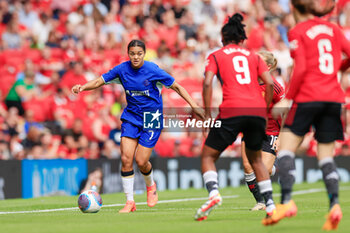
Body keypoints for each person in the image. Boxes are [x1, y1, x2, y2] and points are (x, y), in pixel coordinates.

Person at [72, 39, 205, 213]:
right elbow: (100, 81)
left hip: (152, 118)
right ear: (128, 54)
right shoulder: (121, 70)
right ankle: (130, 202)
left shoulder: (153, 70)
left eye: (139, 53)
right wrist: (82, 87)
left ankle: (151, 185)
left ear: (144, 53)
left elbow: (177, 87)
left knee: (141, 161)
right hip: (131, 117)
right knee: (126, 159)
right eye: (132, 53)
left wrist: (194, 106)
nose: (136, 57)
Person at [269, 0, 350, 229]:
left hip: (308, 98)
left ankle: (286, 202)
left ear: (294, 10)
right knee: (326, 156)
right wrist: (339, 69)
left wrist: (287, 98)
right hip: (333, 99)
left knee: (285, 149)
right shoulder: (333, 29)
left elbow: (302, 68)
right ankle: (334, 205)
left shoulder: (298, 31)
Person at [194, 13, 276, 224]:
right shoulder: (254, 56)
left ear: (223, 39)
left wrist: (207, 114)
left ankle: (213, 194)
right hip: (257, 112)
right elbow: (268, 83)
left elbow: (206, 83)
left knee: (208, 156)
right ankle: (270, 205)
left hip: (232, 109)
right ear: (242, 39)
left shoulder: (217, 55)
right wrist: (264, 109)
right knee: (256, 159)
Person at [241, 51, 285, 211]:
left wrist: (282, 136)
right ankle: (260, 201)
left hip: (271, 131)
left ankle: (273, 167)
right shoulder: (246, 82)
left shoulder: (274, 86)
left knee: (264, 170)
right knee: (247, 166)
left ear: (267, 66)